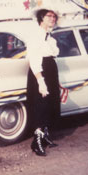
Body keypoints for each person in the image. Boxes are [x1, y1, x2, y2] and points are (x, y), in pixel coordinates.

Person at [26, 9, 60, 157]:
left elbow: (52, 54)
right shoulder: (35, 35)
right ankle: (36, 142)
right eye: (49, 16)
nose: (52, 18)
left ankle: (45, 136)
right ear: (41, 18)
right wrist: (40, 81)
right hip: (40, 71)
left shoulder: (49, 36)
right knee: (40, 104)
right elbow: (34, 58)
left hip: (50, 69)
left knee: (50, 103)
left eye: (54, 16)